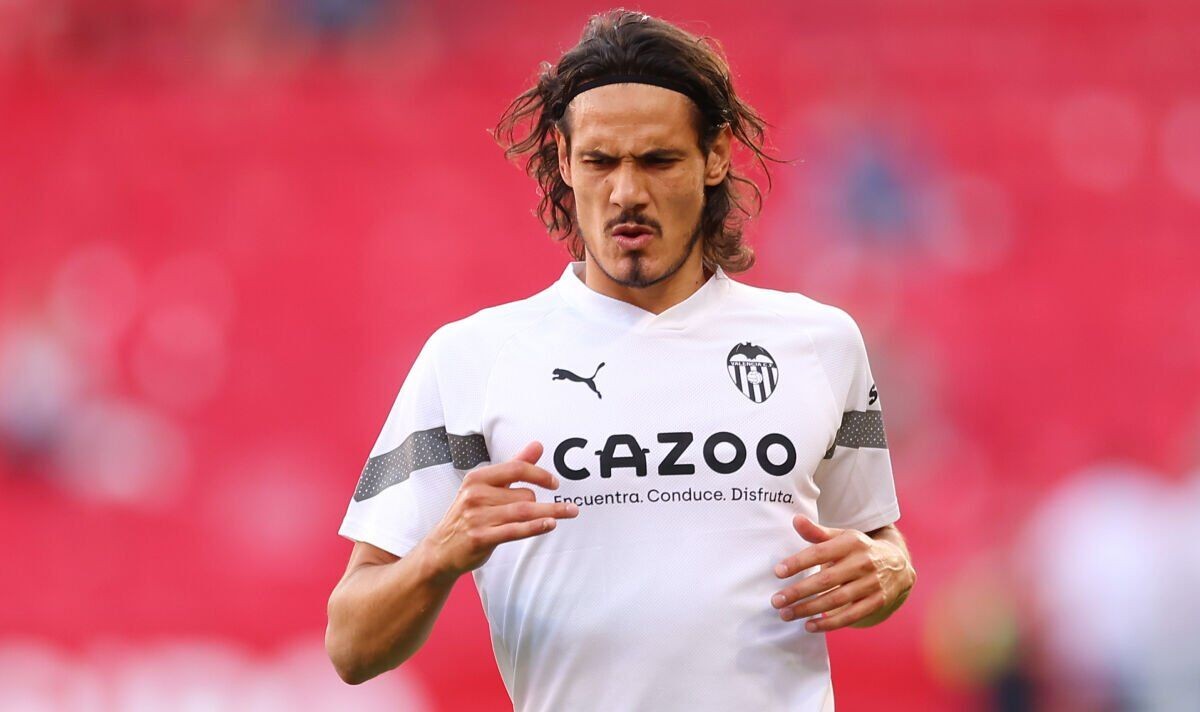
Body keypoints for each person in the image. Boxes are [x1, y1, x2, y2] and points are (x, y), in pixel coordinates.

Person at [325, 9, 915, 711]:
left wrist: (893, 568)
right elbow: (351, 645)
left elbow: (874, 539)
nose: (627, 192)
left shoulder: (821, 343)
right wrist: (438, 554)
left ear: (715, 156)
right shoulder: (471, 358)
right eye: (600, 161)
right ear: (564, 162)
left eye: (658, 161)